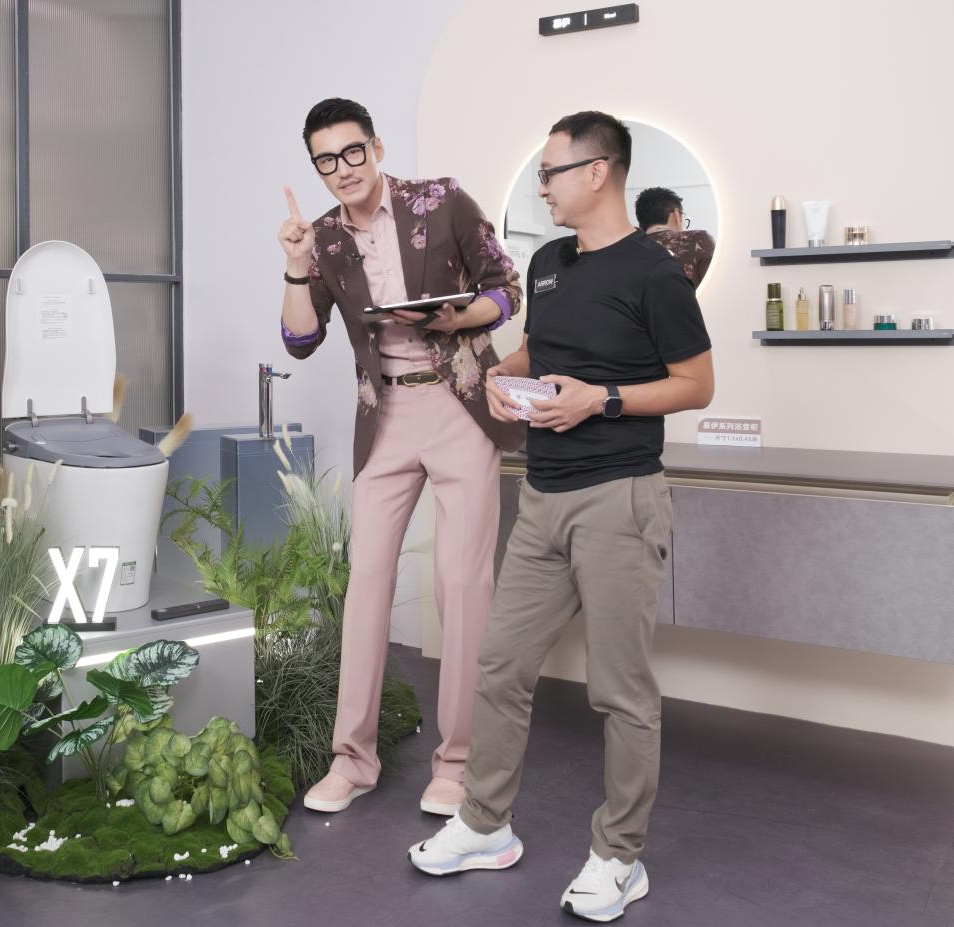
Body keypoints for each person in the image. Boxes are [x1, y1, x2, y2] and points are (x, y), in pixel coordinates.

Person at [409, 111, 714, 923]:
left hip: (619, 498)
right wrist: (500, 375)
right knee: (500, 664)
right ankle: (484, 824)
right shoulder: (547, 263)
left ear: (597, 171)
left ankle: (619, 857)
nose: (540, 186)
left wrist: (601, 399)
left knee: (619, 690)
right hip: (541, 496)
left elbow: (695, 383)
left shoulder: (654, 273)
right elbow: (536, 352)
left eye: (550, 172)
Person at [278, 98, 523, 818]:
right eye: (326, 160)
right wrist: (295, 266)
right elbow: (300, 341)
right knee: (366, 583)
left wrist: (456, 315)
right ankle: (351, 760)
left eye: (352, 152)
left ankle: (459, 763)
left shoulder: (440, 202)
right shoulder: (323, 238)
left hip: (457, 407)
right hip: (383, 416)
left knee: (461, 584)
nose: (342, 169)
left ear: (376, 148)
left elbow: (505, 289)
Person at [635, 185, 715, 288]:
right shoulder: (698, 240)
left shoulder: (629, 248)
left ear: (641, 223)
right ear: (677, 215)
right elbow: (716, 288)